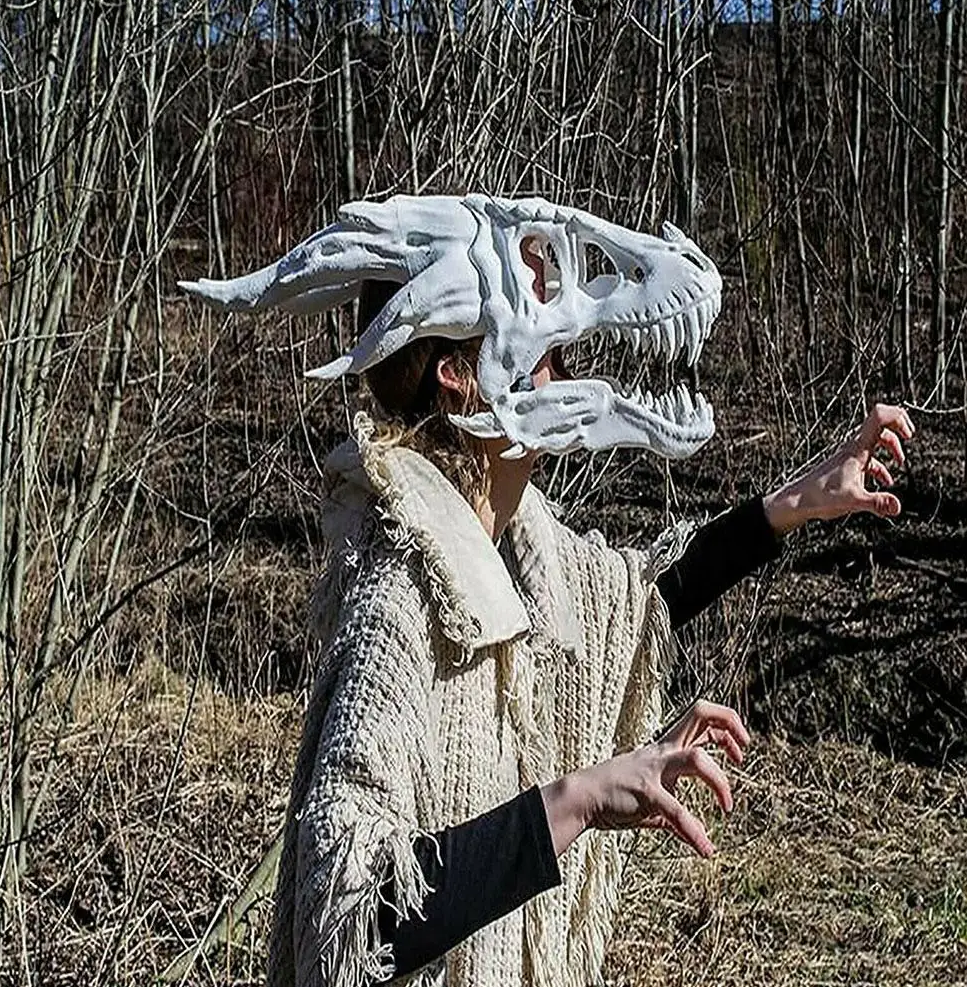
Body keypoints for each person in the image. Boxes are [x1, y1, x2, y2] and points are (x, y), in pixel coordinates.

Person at [181, 196, 914, 987]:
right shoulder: (399, 602)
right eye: (551, 355)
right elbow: (348, 916)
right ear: (459, 377)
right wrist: (575, 800)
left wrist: (799, 501)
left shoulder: (520, 546)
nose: (566, 370)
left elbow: (633, 602)